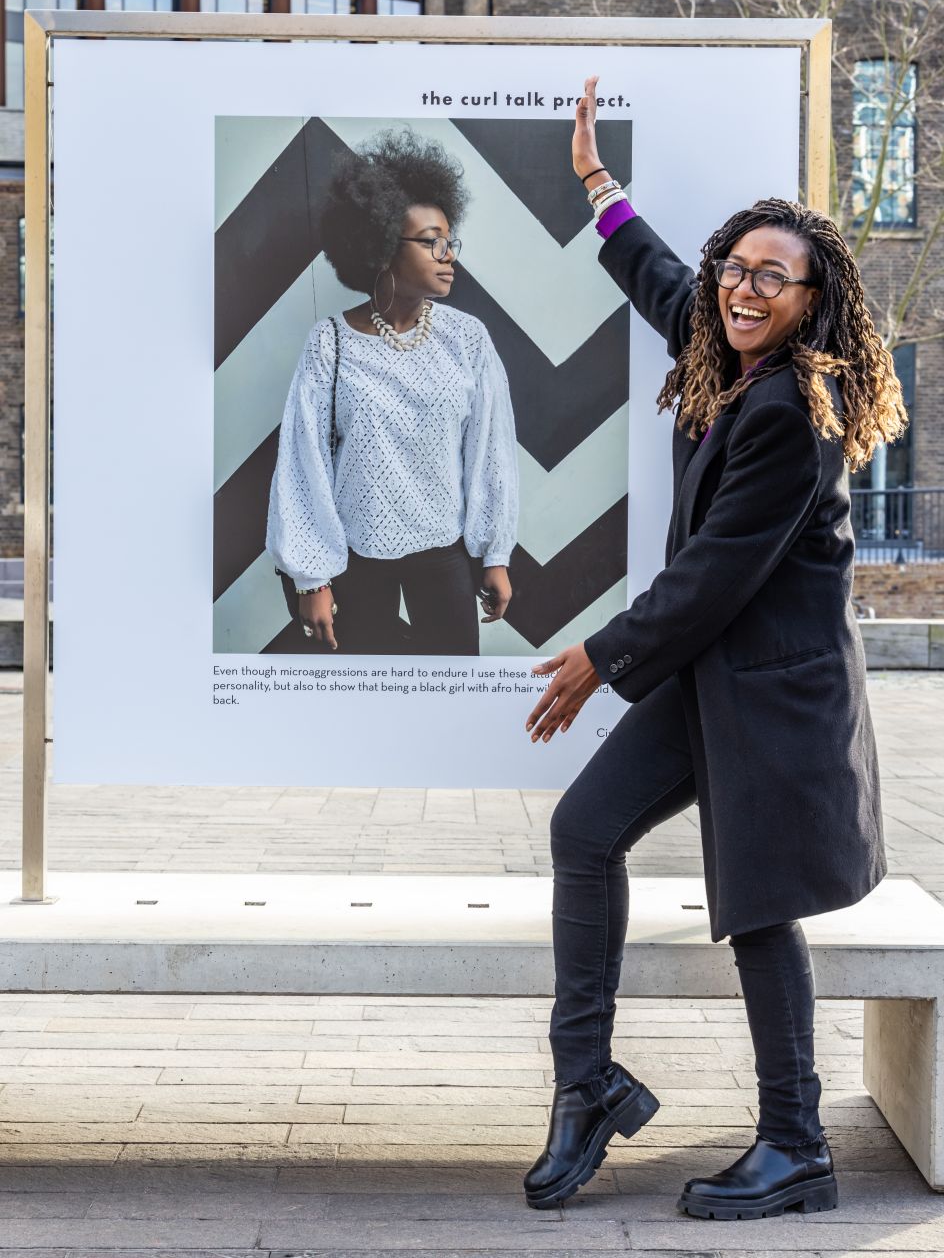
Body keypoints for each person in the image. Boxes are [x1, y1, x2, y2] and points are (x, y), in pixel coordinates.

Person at [521, 77, 907, 1218]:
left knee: (756, 905)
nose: (742, 288)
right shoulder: (727, 356)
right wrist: (598, 184)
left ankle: (795, 1145)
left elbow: (715, 576)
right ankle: (587, 1084)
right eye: (735, 268)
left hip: (774, 694)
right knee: (585, 831)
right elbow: (659, 278)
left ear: (811, 303)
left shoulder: (791, 410)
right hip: (711, 681)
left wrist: (599, 657)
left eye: (770, 277)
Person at [267, 128, 519, 655]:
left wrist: (495, 555)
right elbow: (302, 463)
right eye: (432, 242)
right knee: (363, 694)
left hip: (444, 554)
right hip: (355, 560)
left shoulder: (467, 339)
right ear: (381, 246)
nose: (448, 256)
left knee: (451, 691)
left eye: (450, 241)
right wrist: (312, 579)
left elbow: (490, 451)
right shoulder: (330, 343)